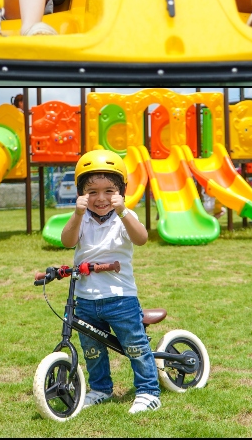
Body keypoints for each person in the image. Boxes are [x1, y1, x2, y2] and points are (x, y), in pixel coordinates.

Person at [58, 149, 160, 414]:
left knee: (135, 346)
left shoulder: (124, 218)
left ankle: (149, 391)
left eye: (109, 191)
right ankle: (100, 389)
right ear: (81, 194)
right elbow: (67, 241)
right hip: (86, 299)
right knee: (92, 350)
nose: (101, 198)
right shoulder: (82, 220)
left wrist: (123, 210)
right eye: (92, 192)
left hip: (120, 298)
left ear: (121, 191)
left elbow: (141, 238)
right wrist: (77, 214)